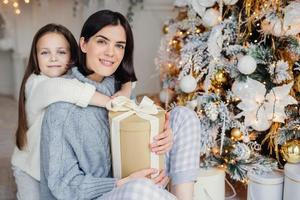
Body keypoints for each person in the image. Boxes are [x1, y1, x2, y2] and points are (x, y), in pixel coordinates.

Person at [40, 10, 201, 200]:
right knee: (139, 189)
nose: (111, 52)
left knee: (184, 116)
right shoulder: (61, 110)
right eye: (102, 41)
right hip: (97, 195)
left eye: (119, 45)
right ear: (83, 44)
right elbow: (63, 185)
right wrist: (123, 183)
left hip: (134, 181)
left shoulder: (120, 88)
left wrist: (164, 138)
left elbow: (134, 143)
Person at [11, 23, 134, 200]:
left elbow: (124, 77)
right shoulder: (37, 83)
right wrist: (111, 102)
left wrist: (125, 90)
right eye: (45, 53)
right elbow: (63, 89)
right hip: (30, 168)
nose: (53, 58)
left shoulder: (71, 77)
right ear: (35, 57)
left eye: (61, 52)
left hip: (54, 165)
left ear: (72, 55)